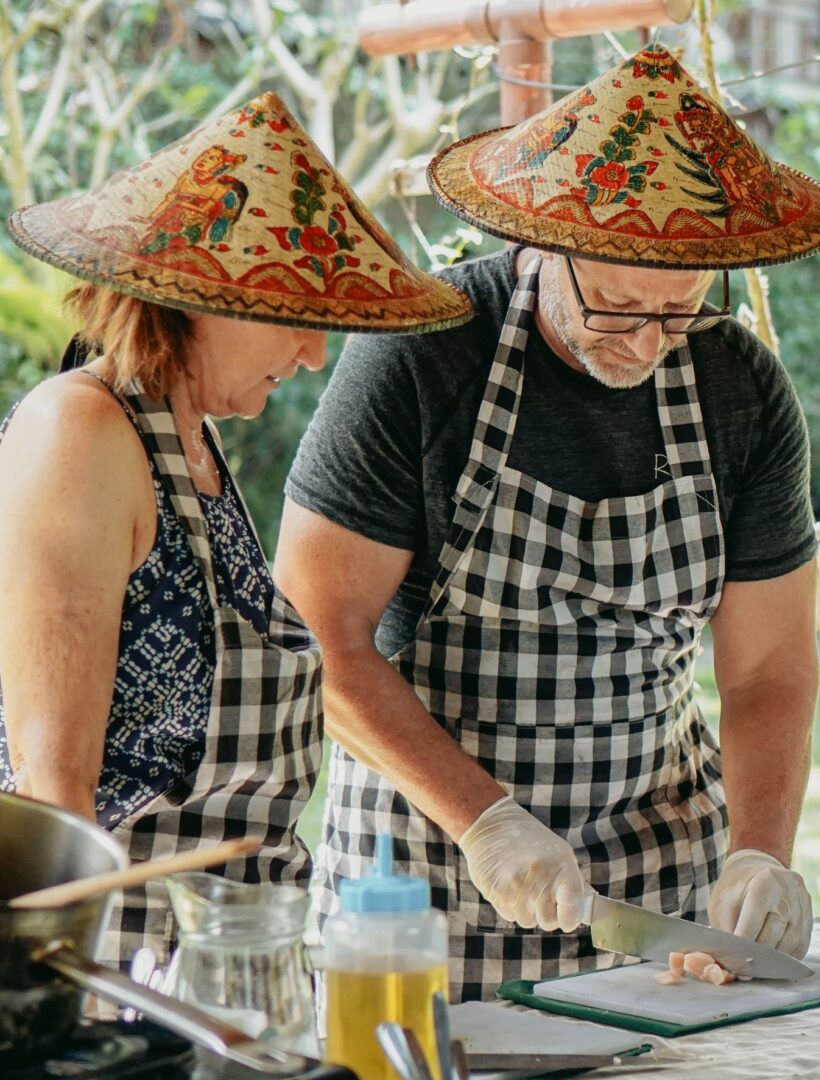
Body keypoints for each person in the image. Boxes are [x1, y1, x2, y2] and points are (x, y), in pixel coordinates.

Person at [275, 44, 820, 1001]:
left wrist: (757, 855)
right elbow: (317, 636)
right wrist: (486, 821)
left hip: (662, 887)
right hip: (428, 885)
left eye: (676, 312)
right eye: (617, 307)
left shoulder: (737, 384)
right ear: (536, 243)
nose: (645, 345)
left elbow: (769, 668)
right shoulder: (423, 354)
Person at [0, 91, 471, 969]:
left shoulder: (192, 442)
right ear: (200, 299)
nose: (314, 353)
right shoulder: (81, 433)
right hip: (120, 972)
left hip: (234, 963)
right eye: (295, 316)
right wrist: (67, 1023)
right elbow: (51, 792)